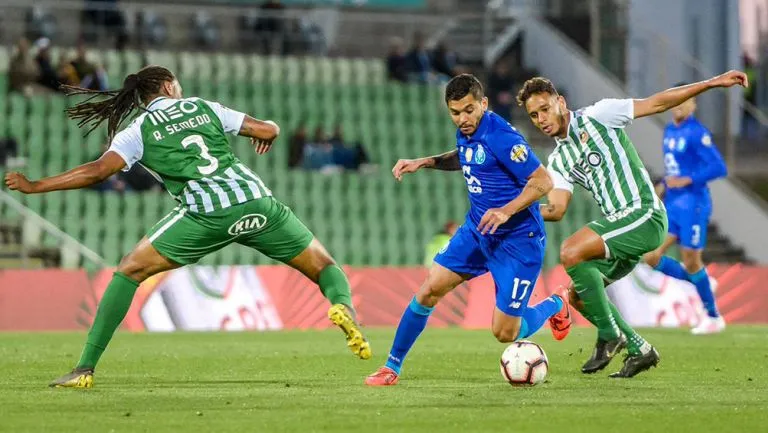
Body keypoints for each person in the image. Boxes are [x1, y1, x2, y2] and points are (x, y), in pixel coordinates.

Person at [4, 65, 371, 388]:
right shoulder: (202, 106)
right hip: (258, 204)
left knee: (129, 270)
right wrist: (266, 134)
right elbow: (269, 129)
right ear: (166, 86)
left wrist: (37, 185)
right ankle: (344, 307)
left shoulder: (137, 130)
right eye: (175, 84)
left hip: (206, 215)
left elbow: (99, 170)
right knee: (325, 267)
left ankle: (84, 368)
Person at [518, 70, 748, 378]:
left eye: (545, 109)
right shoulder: (559, 160)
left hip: (644, 213)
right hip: (622, 229)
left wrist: (710, 83)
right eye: (534, 115)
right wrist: (516, 211)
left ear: (560, 102)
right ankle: (640, 349)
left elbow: (655, 103)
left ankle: (611, 336)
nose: (541, 118)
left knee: (571, 250)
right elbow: (557, 208)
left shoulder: (599, 115)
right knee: (578, 294)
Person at [364, 74, 571, 387]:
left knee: (505, 333)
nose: (462, 119)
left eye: (469, 110)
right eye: (455, 112)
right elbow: (465, 157)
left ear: (484, 104)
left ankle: (556, 304)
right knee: (429, 289)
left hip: (518, 241)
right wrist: (425, 161)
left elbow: (543, 182)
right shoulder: (468, 132)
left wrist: (505, 211)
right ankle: (391, 366)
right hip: (477, 231)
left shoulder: (502, 136)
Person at [642, 87, 728, 334]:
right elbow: (675, 168)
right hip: (673, 204)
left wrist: (689, 179)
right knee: (651, 256)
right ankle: (699, 281)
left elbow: (718, 167)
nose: (679, 105)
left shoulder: (696, 133)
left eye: (686, 101)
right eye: (677, 101)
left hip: (693, 203)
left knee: (691, 260)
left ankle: (713, 317)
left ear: (694, 105)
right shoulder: (669, 130)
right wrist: (665, 184)